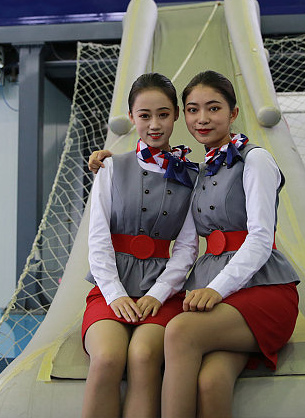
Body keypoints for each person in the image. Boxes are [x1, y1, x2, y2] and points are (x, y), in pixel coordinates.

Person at [145, 70, 299, 417]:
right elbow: (184, 239)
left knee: (180, 331)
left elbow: (261, 238)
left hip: (262, 289)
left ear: (233, 113)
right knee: (211, 382)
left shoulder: (255, 159)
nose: (202, 118)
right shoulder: (200, 171)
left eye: (213, 108)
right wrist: (108, 162)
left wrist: (216, 289)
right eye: (193, 109)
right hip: (212, 287)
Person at [82, 73, 199, 418]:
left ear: (176, 115)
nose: (154, 124)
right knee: (107, 357)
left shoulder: (192, 177)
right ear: (132, 117)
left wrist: (159, 294)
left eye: (163, 114)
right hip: (109, 290)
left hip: (162, 293)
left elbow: (187, 248)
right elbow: (98, 239)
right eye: (145, 115)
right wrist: (115, 294)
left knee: (144, 356)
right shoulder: (109, 167)